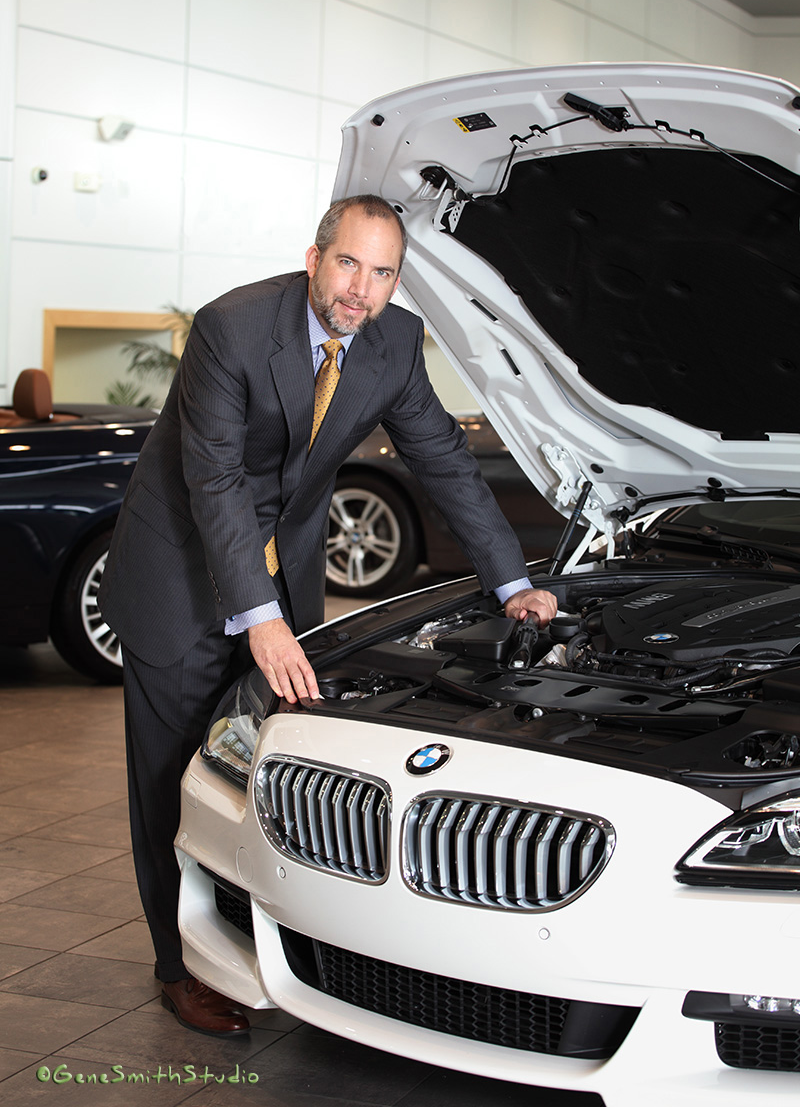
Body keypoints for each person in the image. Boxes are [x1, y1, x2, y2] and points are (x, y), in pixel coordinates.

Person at [99, 194, 557, 1037]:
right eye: (349, 264)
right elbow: (217, 483)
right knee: (173, 780)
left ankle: (290, 945)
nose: (362, 289)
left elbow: (446, 463)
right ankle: (179, 965)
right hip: (179, 573)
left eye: (382, 272)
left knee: (270, 768)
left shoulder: (392, 343)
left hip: (284, 573)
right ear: (314, 258)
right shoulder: (231, 329)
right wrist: (259, 618)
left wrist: (510, 584)